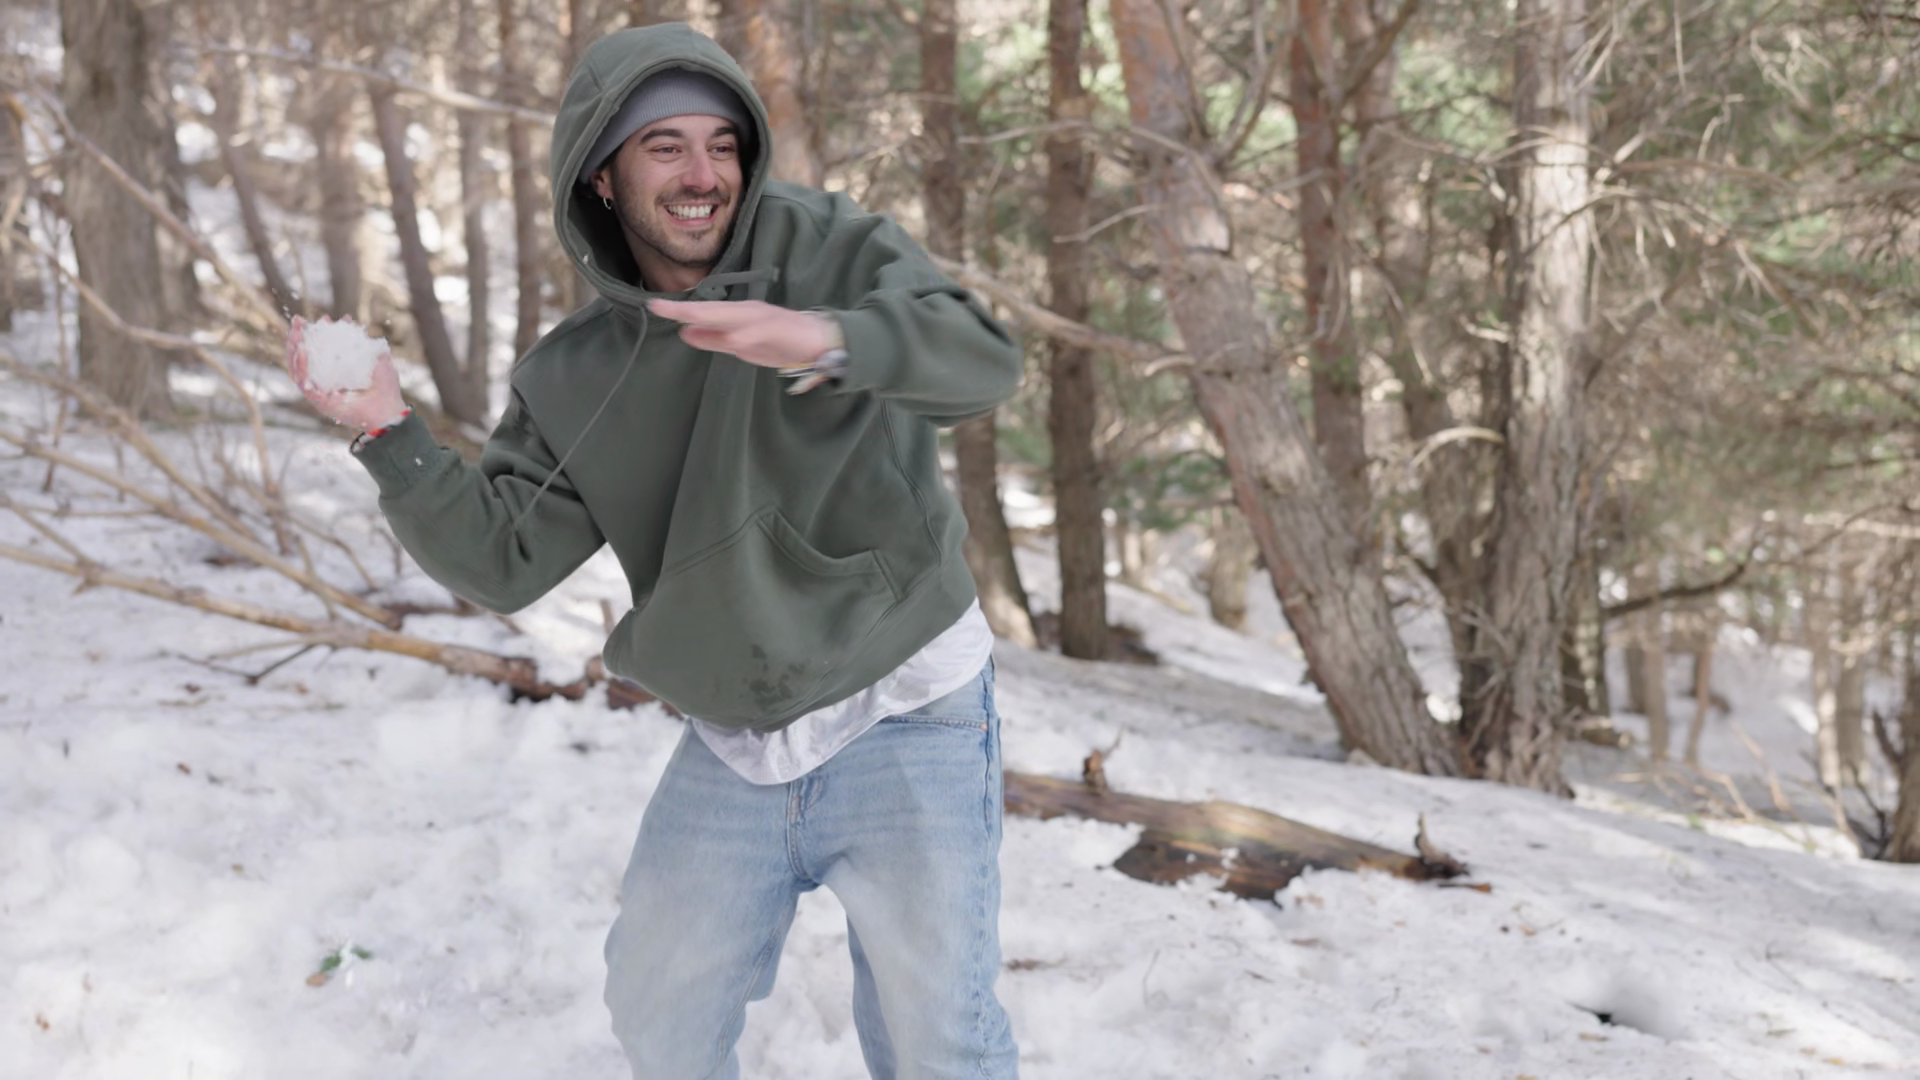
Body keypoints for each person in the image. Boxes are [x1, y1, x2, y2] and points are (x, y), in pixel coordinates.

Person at [284, 21, 1023, 1080]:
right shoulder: (576, 374)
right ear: (601, 174)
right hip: (738, 738)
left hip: (907, 702)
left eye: (722, 145)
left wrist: (826, 340)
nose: (702, 174)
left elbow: (981, 363)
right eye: (664, 146)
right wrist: (388, 431)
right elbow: (503, 559)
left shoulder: (829, 248)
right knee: (659, 1012)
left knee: (936, 1039)